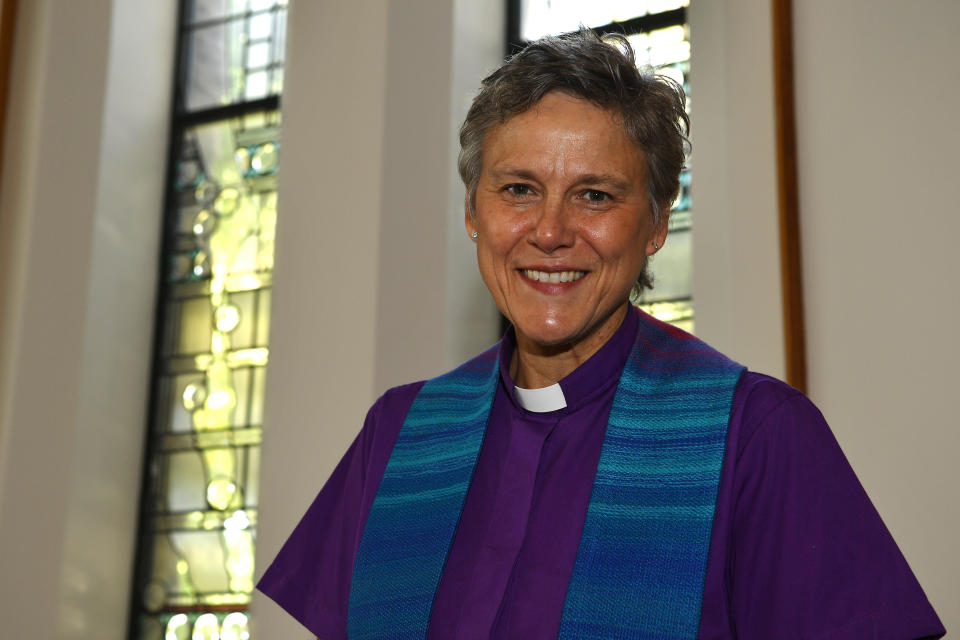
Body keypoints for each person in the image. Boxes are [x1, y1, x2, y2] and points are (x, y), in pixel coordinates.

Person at [257, 30, 944, 640]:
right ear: (473, 210)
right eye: (519, 189)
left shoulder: (759, 435)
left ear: (653, 222)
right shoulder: (400, 433)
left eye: (595, 195)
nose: (550, 232)